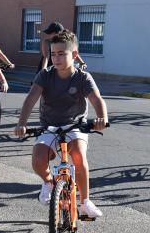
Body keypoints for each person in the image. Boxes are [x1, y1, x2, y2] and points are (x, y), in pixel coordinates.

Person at [14, 30, 108, 219]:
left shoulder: (83, 77)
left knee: (79, 156)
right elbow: (31, 99)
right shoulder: (45, 75)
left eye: (61, 54)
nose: (56, 58)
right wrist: (21, 124)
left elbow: (97, 99)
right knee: (38, 159)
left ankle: (85, 202)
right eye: (53, 54)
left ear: (74, 55)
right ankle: (49, 183)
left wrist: (101, 119)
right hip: (50, 127)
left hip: (75, 127)